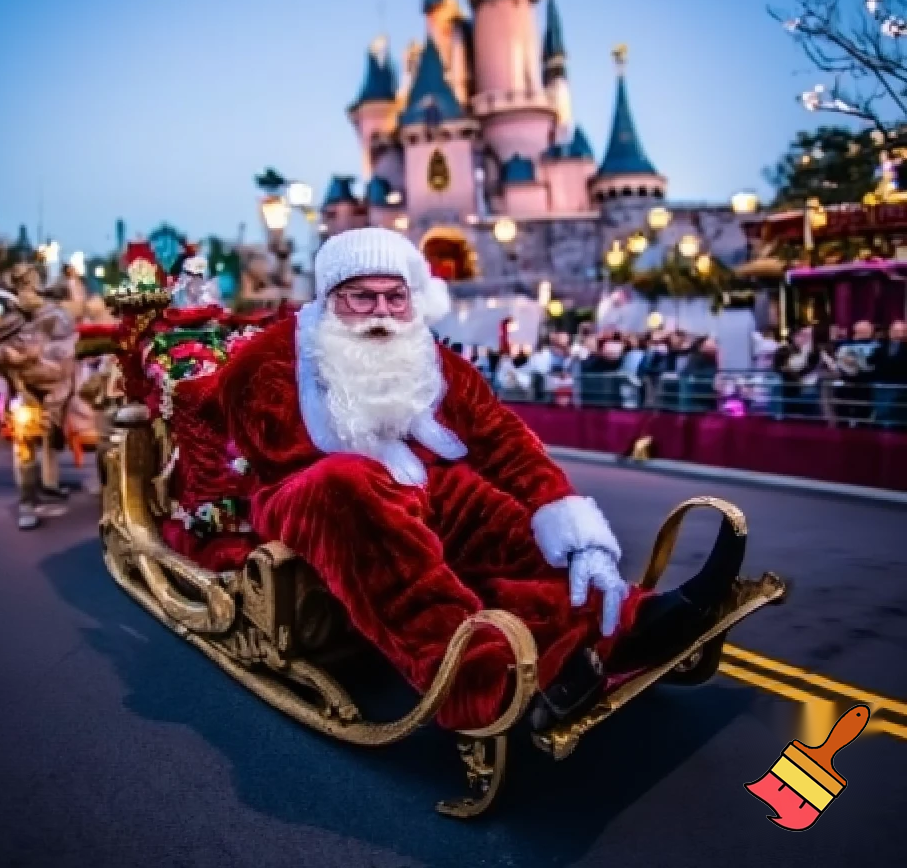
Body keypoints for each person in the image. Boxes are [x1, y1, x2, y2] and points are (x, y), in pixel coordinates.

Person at [209, 227, 745, 734]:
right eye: (361, 298)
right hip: (310, 490)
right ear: (330, 299)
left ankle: (623, 620)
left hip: (416, 483)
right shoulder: (270, 361)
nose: (382, 314)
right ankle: (478, 681)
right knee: (349, 484)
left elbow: (504, 439)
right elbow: (259, 446)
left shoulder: (430, 358)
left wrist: (567, 520)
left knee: (489, 508)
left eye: (395, 298)